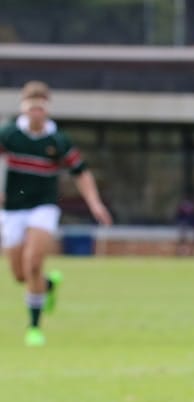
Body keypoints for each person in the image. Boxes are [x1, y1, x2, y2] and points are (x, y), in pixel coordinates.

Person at [0, 80, 112, 347]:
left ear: (47, 109)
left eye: (40, 108)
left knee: (33, 263)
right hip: (12, 209)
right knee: (20, 274)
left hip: (44, 207)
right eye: (32, 108)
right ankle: (48, 285)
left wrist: (95, 203)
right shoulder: (9, 134)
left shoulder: (58, 140)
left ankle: (34, 328)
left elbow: (81, 173)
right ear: (23, 108)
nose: (36, 113)